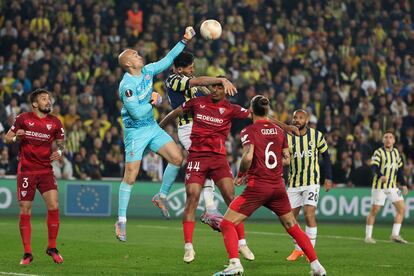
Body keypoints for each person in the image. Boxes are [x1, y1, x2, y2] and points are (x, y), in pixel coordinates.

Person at [213, 95, 326, 276]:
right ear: (267, 110)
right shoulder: (279, 132)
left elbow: (248, 157)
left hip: (258, 187)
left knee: (227, 223)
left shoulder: (249, 131)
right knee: (293, 226)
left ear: (251, 110)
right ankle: (317, 266)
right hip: (278, 187)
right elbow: (287, 159)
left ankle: (235, 264)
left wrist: (241, 174)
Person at [114, 26, 196, 242]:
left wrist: (184, 40)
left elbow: (167, 60)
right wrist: (155, 101)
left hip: (151, 127)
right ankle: (121, 220)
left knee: (177, 158)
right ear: (129, 64)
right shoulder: (127, 85)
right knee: (130, 176)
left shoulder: (148, 70)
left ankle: (161, 196)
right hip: (135, 132)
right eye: (134, 54)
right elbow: (136, 112)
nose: (138, 54)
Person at [159, 81, 254, 263]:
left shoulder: (231, 108)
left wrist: (284, 127)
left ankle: (242, 242)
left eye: (220, 87)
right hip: (197, 157)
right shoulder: (198, 102)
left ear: (225, 90)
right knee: (192, 197)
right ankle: (188, 247)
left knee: (231, 198)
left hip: (218, 159)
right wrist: (158, 127)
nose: (216, 90)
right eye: (214, 87)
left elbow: (255, 116)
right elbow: (176, 112)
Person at [152, 51, 237, 225]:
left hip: (205, 127)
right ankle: (210, 210)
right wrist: (221, 80)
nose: (193, 70)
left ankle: (207, 208)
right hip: (189, 128)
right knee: (208, 162)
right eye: (190, 67)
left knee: (205, 163)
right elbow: (197, 83)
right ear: (179, 69)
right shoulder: (173, 80)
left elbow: (208, 94)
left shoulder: (194, 81)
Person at [5, 88, 65, 265]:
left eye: (49, 98)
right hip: (27, 171)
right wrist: (17, 137)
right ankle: (27, 253)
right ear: (35, 104)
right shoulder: (23, 118)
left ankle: (52, 247)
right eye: (44, 99)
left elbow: (61, 142)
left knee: (54, 206)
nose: (48, 101)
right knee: (25, 209)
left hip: (46, 170)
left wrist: (60, 151)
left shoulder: (55, 122)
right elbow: (7, 138)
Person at [285, 109, 332, 261]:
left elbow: (326, 156)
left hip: (311, 182)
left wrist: (328, 177)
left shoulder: (316, 135)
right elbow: (283, 158)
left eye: (300, 118)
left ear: (307, 120)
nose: (297, 120)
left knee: (309, 214)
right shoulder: (287, 137)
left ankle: (308, 250)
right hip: (293, 183)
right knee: (289, 219)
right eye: (295, 118)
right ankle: (299, 247)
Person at [365, 130, 409, 244]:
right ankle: (368, 236)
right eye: (386, 137)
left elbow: (399, 171)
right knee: (375, 210)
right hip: (379, 186)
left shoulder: (396, 153)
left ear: (394, 140)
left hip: (392, 186)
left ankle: (395, 235)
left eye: (390, 137)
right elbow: (373, 167)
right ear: (383, 140)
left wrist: (403, 184)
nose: (388, 139)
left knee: (402, 209)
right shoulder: (378, 152)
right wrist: (380, 176)